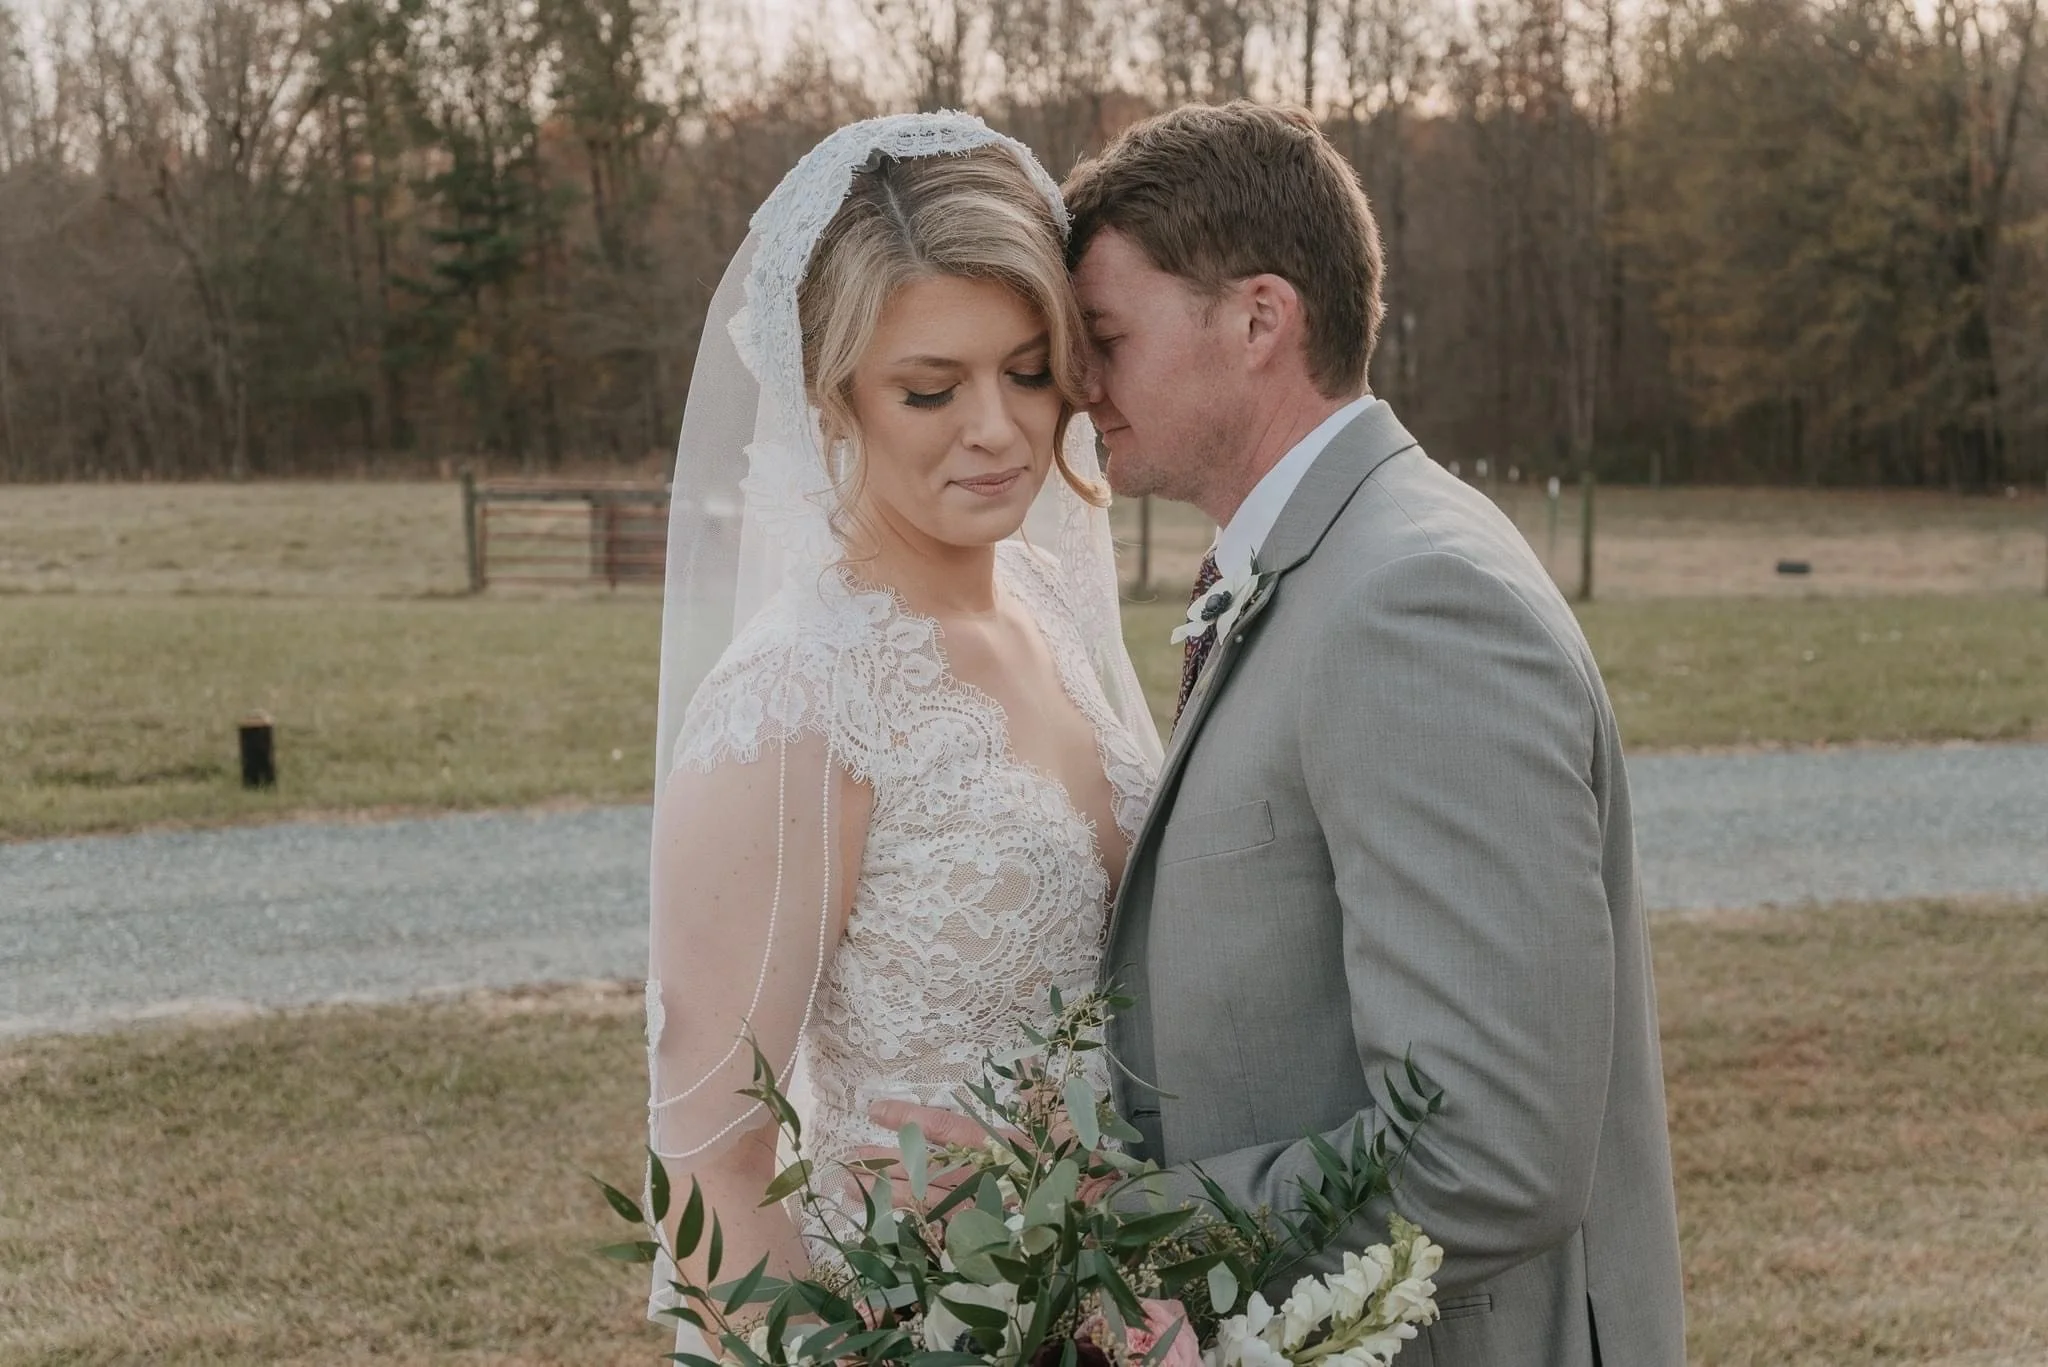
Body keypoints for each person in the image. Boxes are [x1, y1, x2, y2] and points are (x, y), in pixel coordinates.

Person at [881, 102, 1686, 1365]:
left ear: (1258, 320)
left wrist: (1093, 1226)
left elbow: (1486, 1150)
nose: (1078, 388)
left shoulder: (1416, 605)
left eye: (1104, 337)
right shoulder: (1334, 564)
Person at [641, 112, 1162, 1341]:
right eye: (929, 389)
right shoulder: (795, 701)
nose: (997, 427)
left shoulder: (1044, 603)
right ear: (834, 402)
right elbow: (711, 1158)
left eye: (1028, 369)